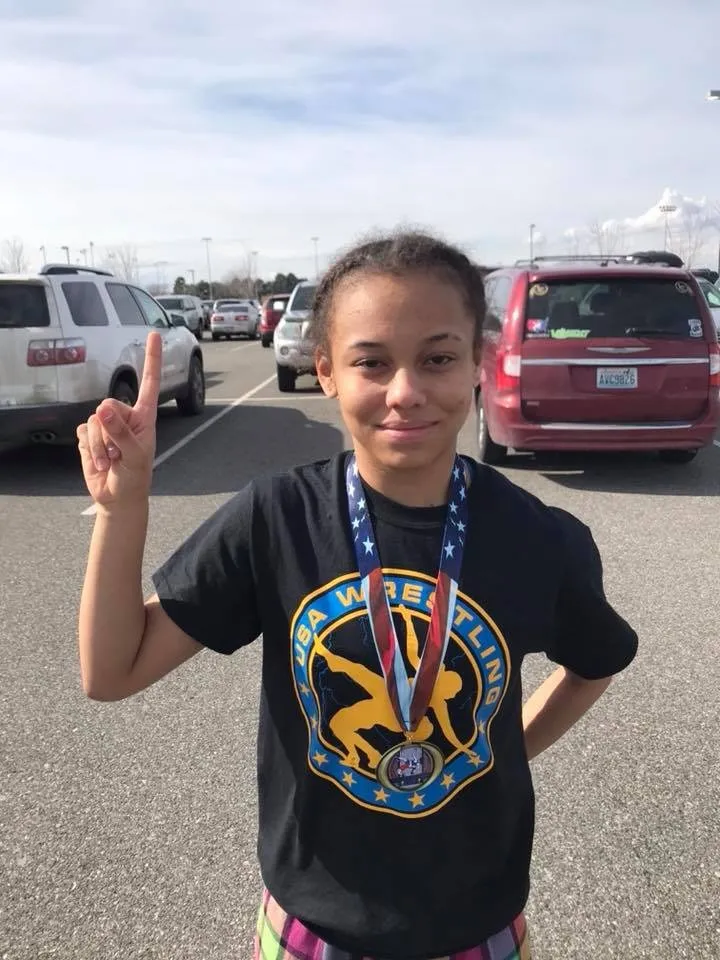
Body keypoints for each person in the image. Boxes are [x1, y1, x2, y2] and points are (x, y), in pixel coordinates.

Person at [77, 231, 638, 960]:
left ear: (478, 361)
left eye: (438, 358)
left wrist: (507, 748)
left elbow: (595, 662)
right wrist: (122, 510)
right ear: (326, 372)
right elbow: (112, 671)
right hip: (313, 925)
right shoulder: (276, 519)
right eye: (371, 362)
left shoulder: (537, 537)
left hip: (477, 926)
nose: (405, 391)